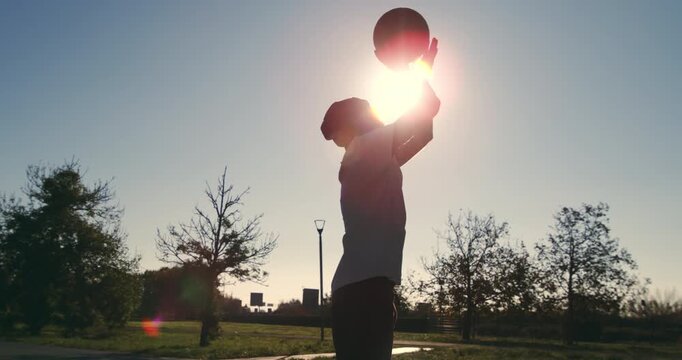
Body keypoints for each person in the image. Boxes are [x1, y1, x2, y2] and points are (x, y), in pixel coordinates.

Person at [321, 38, 440, 359]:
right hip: (364, 289)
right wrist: (421, 71)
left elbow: (425, 132)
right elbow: (426, 110)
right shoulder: (366, 150)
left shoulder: (370, 159)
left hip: (366, 287)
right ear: (360, 122)